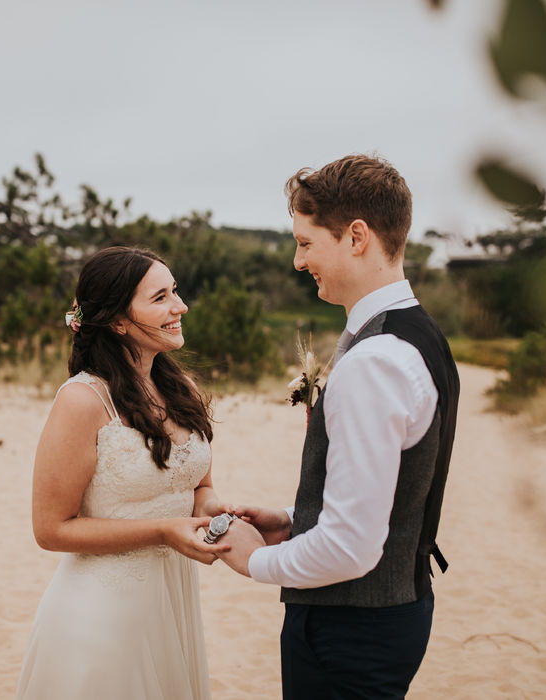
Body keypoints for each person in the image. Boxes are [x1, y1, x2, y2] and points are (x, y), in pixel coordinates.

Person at [218, 155, 460, 699]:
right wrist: (292, 517)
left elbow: (351, 547)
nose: (298, 262)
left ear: (356, 237)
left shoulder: (377, 360)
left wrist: (253, 560)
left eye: (306, 243)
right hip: (395, 609)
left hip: (350, 634)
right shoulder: (418, 335)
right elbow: (385, 491)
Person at [15, 246, 232, 700]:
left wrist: (213, 509)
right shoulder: (83, 400)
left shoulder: (180, 388)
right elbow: (50, 529)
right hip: (101, 613)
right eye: (160, 298)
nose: (180, 306)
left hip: (171, 605)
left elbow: (199, 483)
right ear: (117, 320)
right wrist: (165, 531)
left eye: (174, 291)